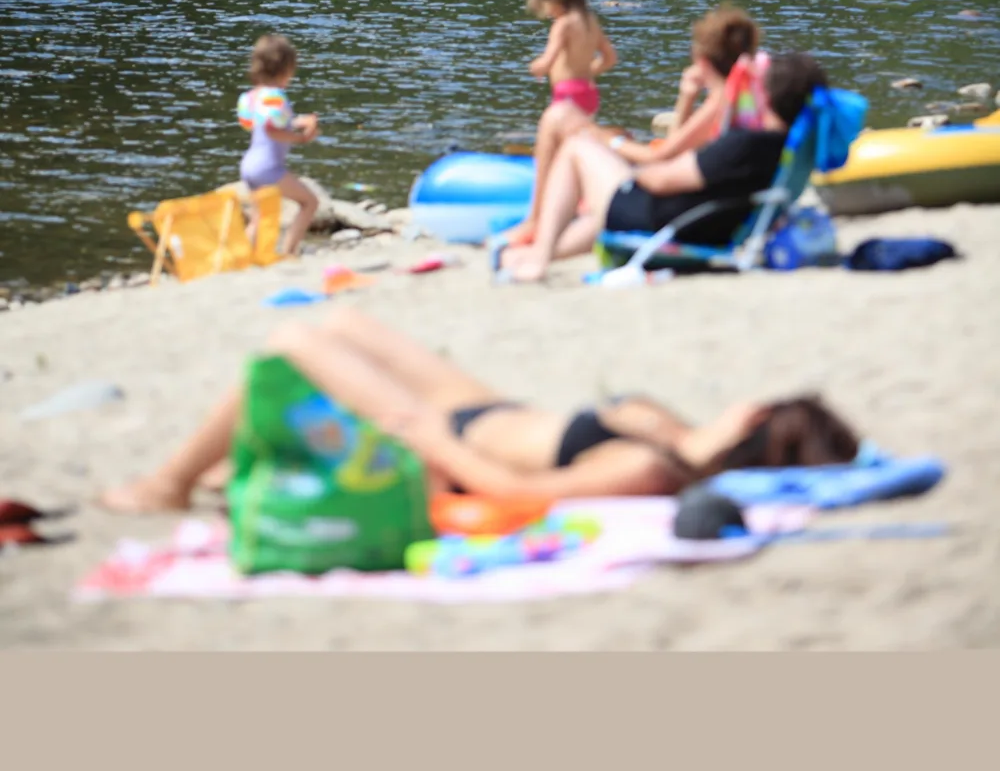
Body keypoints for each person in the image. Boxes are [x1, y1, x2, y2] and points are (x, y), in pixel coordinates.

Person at [99, 306, 859, 511]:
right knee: (339, 326)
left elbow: (524, 493)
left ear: (758, 421)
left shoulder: (650, 472)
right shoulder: (685, 446)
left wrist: (431, 439)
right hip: (489, 409)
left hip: (464, 446)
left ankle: (168, 484)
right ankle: (240, 466)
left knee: (292, 341)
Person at [497, 52, 828, 283]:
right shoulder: (785, 149)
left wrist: (630, 166)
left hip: (660, 221)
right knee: (606, 192)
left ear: (765, 95)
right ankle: (538, 254)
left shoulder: (747, 144)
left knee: (577, 148)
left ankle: (538, 257)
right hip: (701, 227)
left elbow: (661, 181)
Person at [507, 0, 617, 245]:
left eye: (546, 3)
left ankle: (536, 219)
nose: (545, 10)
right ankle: (575, 207)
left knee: (551, 154)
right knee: (576, 151)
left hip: (567, 97)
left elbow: (547, 60)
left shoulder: (563, 25)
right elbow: (609, 57)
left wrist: (536, 67)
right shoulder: (590, 21)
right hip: (588, 93)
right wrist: (588, 71)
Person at [601, 7, 767, 171]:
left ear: (702, 61)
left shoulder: (722, 100)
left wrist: (611, 141)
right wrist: (688, 96)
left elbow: (662, 157)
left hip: (710, 191)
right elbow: (678, 146)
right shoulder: (750, 93)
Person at [238, 34, 320, 257]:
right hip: (268, 167)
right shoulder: (276, 97)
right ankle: (289, 252)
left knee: (259, 217)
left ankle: (243, 256)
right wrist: (301, 138)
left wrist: (298, 122)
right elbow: (271, 129)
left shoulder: (251, 96)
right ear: (286, 69)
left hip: (249, 165)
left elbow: (256, 123)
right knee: (310, 202)